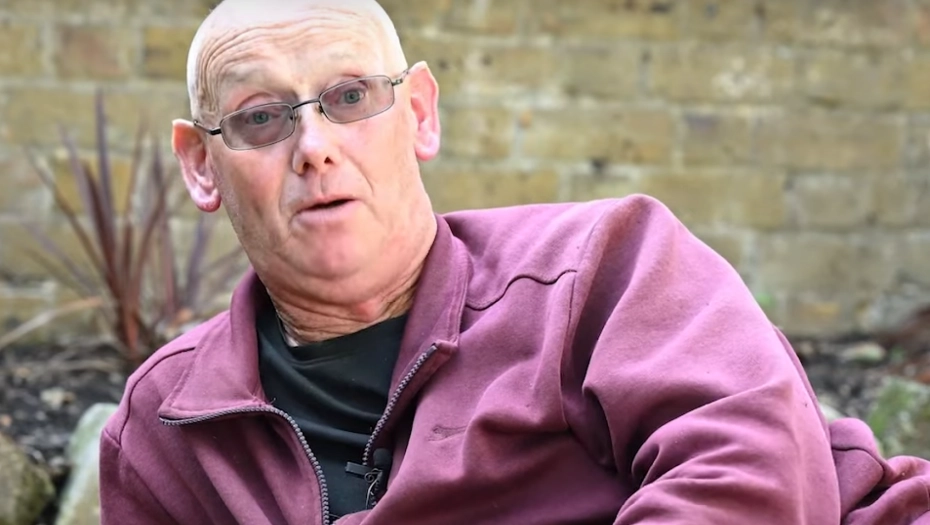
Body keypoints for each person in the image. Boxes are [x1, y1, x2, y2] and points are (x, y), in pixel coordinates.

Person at [98, 0, 930, 523]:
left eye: (351, 97)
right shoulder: (169, 425)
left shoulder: (605, 267)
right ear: (201, 165)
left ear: (420, 114)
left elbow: (750, 478)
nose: (314, 146)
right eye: (260, 117)